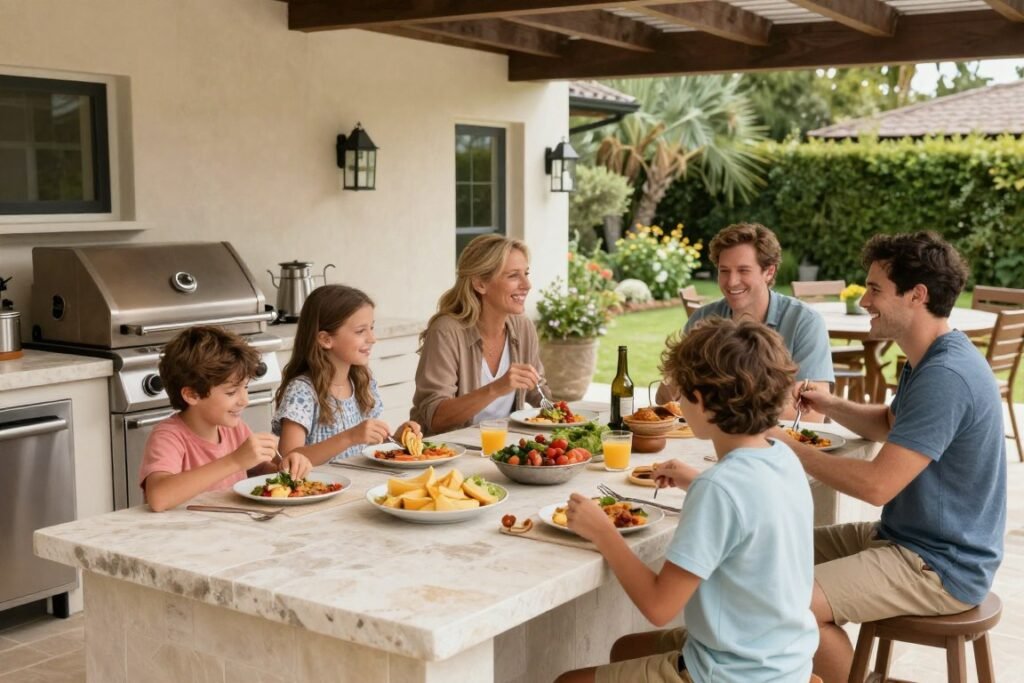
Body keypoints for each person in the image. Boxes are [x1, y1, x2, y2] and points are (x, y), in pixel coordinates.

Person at [774, 231, 1007, 682]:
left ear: (916, 295)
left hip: (939, 564)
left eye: (875, 289)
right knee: (770, 551)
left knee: (786, 606)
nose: (864, 301)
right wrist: (833, 405)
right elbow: (890, 422)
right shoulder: (928, 357)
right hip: (907, 537)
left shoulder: (947, 375)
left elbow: (877, 484)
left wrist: (790, 446)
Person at [556, 317, 818, 683]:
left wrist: (603, 533)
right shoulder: (782, 457)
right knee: (626, 651)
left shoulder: (720, 489)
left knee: (567, 682)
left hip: (732, 673)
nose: (676, 402)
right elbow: (750, 507)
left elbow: (659, 606)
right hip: (785, 661)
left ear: (704, 404)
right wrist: (696, 481)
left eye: (682, 394)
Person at [657, 223, 833, 420]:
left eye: (743, 270)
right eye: (724, 270)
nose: (731, 282)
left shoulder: (805, 322)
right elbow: (668, 397)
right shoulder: (702, 320)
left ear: (769, 272)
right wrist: (671, 388)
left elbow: (814, 413)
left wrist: (718, 404)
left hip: (784, 445)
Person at [139, 326, 304, 512]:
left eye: (246, 388)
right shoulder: (169, 436)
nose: (245, 400)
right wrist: (235, 461)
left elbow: (256, 470)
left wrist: (284, 469)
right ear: (192, 395)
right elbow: (158, 498)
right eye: (231, 392)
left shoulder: (235, 428)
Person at [411, 234, 544, 435]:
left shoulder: (522, 327)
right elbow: (436, 418)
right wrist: (496, 388)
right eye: (513, 275)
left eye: (526, 273)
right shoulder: (447, 332)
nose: (527, 284)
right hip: (446, 454)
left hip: (502, 450)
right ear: (480, 284)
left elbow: (537, 389)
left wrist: (562, 413)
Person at [274, 284, 421, 464]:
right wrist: (350, 437)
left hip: (359, 486)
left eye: (371, 328)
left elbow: (365, 446)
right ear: (326, 339)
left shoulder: (362, 382)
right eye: (360, 331)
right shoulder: (302, 392)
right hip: (319, 489)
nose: (372, 338)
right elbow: (289, 459)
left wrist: (397, 439)